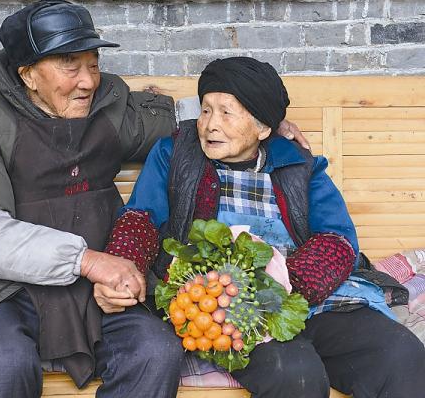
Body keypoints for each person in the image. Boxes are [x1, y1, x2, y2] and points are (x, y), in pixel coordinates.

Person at [0, 0, 307, 397]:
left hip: (99, 284)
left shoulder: (107, 104)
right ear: (28, 74)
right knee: (4, 362)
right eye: (70, 64)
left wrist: (258, 117)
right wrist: (87, 261)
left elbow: (176, 120)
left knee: (154, 351)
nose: (88, 80)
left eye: (93, 63)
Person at [104, 56, 425, 398]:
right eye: (206, 110)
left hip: (307, 296)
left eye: (227, 112)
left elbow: (337, 240)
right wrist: (124, 268)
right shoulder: (173, 154)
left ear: (263, 128)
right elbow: (141, 221)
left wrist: (282, 286)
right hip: (224, 306)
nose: (211, 125)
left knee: (400, 354)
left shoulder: (297, 164)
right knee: (296, 374)